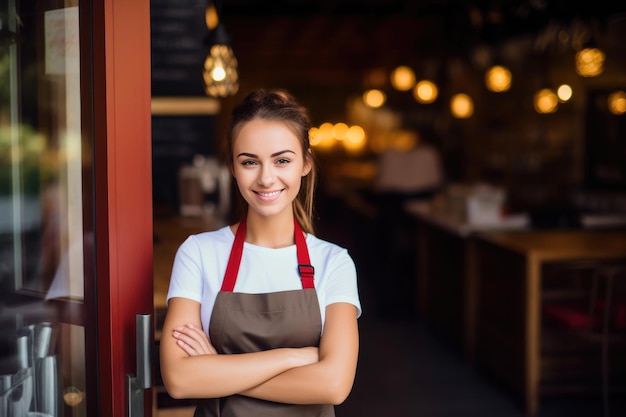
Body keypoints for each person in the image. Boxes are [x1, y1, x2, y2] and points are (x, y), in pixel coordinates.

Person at [160, 88, 362, 417]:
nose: (266, 178)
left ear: (306, 164)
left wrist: (217, 371)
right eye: (250, 162)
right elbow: (180, 379)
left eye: (282, 160)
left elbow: (333, 385)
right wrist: (292, 357)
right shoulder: (198, 253)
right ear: (233, 167)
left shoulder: (334, 262)